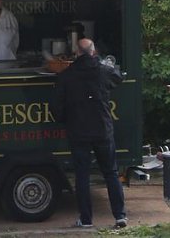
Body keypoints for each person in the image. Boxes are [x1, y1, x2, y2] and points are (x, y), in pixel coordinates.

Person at [54, 38, 128, 229]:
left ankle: (86, 219)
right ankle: (120, 216)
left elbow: (58, 108)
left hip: (78, 131)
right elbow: (118, 77)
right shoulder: (104, 71)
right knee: (111, 172)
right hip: (102, 129)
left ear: (76, 53)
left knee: (82, 175)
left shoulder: (66, 75)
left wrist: (65, 121)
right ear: (93, 52)